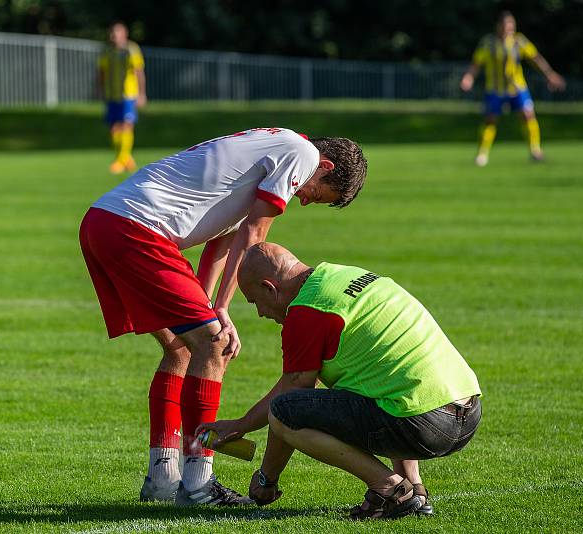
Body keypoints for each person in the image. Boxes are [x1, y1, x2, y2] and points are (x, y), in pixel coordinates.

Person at [79, 129, 367, 506]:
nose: (305, 201)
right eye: (316, 193)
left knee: (185, 349)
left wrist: (207, 302)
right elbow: (255, 235)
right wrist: (221, 311)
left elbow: (222, 242)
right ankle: (198, 483)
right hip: (136, 230)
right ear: (323, 165)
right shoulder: (301, 153)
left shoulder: (267, 155)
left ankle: (163, 478)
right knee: (214, 345)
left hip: (107, 222)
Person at [198, 242, 482, 519]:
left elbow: (289, 401)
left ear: (269, 288)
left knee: (284, 412)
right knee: (383, 383)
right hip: (466, 410)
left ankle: (391, 489)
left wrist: (265, 476)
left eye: (255, 301)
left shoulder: (307, 310)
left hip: (424, 423)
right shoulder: (344, 275)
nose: (260, 312)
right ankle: (415, 490)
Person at [460, 11, 566, 166]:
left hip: (517, 87)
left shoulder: (519, 41)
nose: (508, 28)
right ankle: (482, 154)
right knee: (490, 120)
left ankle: (535, 150)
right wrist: (468, 77)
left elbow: (535, 58)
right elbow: (476, 63)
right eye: (505, 25)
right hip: (495, 89)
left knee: (528, 115)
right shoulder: (488, 43)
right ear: (498, 26)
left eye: (510, 25)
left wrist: (549, 74)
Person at [97, 22, 147, 175]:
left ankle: (120, 159)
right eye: (111, 33)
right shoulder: (107, 51)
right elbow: (102, 72)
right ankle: (126, 158)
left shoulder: (131, 50)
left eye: (116, 33)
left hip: (128, 94)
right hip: (112, 94)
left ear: (124, 34)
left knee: (126, 125)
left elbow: (139, 71)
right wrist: (99, 89)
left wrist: (141, 93)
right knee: (114, 127)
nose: (113, 36)